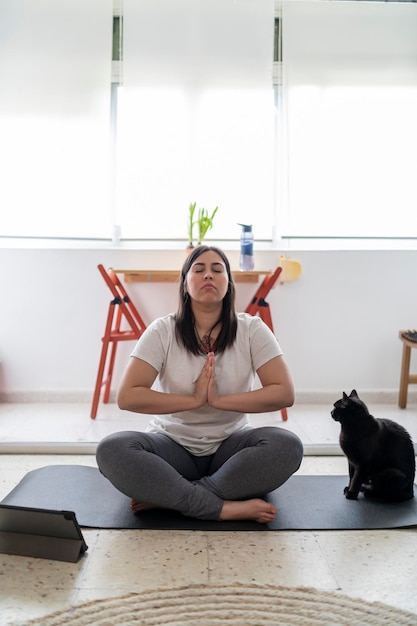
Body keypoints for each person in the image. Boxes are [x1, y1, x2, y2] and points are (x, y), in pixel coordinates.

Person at [96, 246, 303, 523]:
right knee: (112, 449)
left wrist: (218, 401)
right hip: (172, 446)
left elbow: (283, 392)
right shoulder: (162, 330)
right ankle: (223, 508)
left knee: (287, 445)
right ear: (185, 283)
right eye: (199, 270)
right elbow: (128, 396)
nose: (209, 275)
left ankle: (175, 497)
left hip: (230, 449)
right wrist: (193, 401)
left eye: (218, 270)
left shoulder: (252, 329)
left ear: (228, 284)